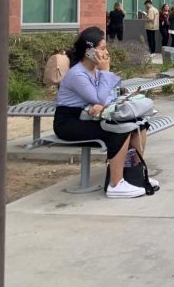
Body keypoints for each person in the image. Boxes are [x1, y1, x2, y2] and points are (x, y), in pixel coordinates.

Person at [54, 27, 159, 198]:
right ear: (89, 51)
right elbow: (100, 98)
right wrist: (105, 72)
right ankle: (115, 184)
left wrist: (101, 102)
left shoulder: (94, 72)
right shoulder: (77, 74)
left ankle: (135, 176)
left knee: (139, 126)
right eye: (102, 48)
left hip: (88, 117)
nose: (106, 52)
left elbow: (108, 97)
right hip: (69, 123)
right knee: (118, 131)